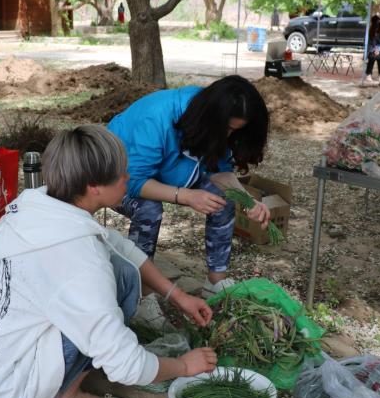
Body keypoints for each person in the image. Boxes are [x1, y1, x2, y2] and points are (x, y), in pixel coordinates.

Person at [0, 125, 217, 398]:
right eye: (121, 174)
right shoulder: (81, 261)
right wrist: (184, 365)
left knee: (122, 271)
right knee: (123, 285)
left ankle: (64, 377)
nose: (128, 178)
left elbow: (116, 244)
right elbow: (125, 364)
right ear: (94, 187)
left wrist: (177, 296)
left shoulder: (36, 205)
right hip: (8, 390)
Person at [107, 76, 271, 294]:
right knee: (149, 209)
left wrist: (247, 200)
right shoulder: (156, 117)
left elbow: (219, 170)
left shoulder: (212, 114)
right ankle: (141, 292)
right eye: (229, 129)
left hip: (165, 172)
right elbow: (135, 183)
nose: (229, 136)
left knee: (225, 196)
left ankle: (215, 282)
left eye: (236, 131)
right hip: (116, 178)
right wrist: (187, 196)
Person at [362, 14, 380, 84]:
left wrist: (379, 50)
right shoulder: (370, 33)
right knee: (372, 57)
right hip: (372, 50)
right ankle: (369, 74)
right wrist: (374, 49)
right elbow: (368, 44)